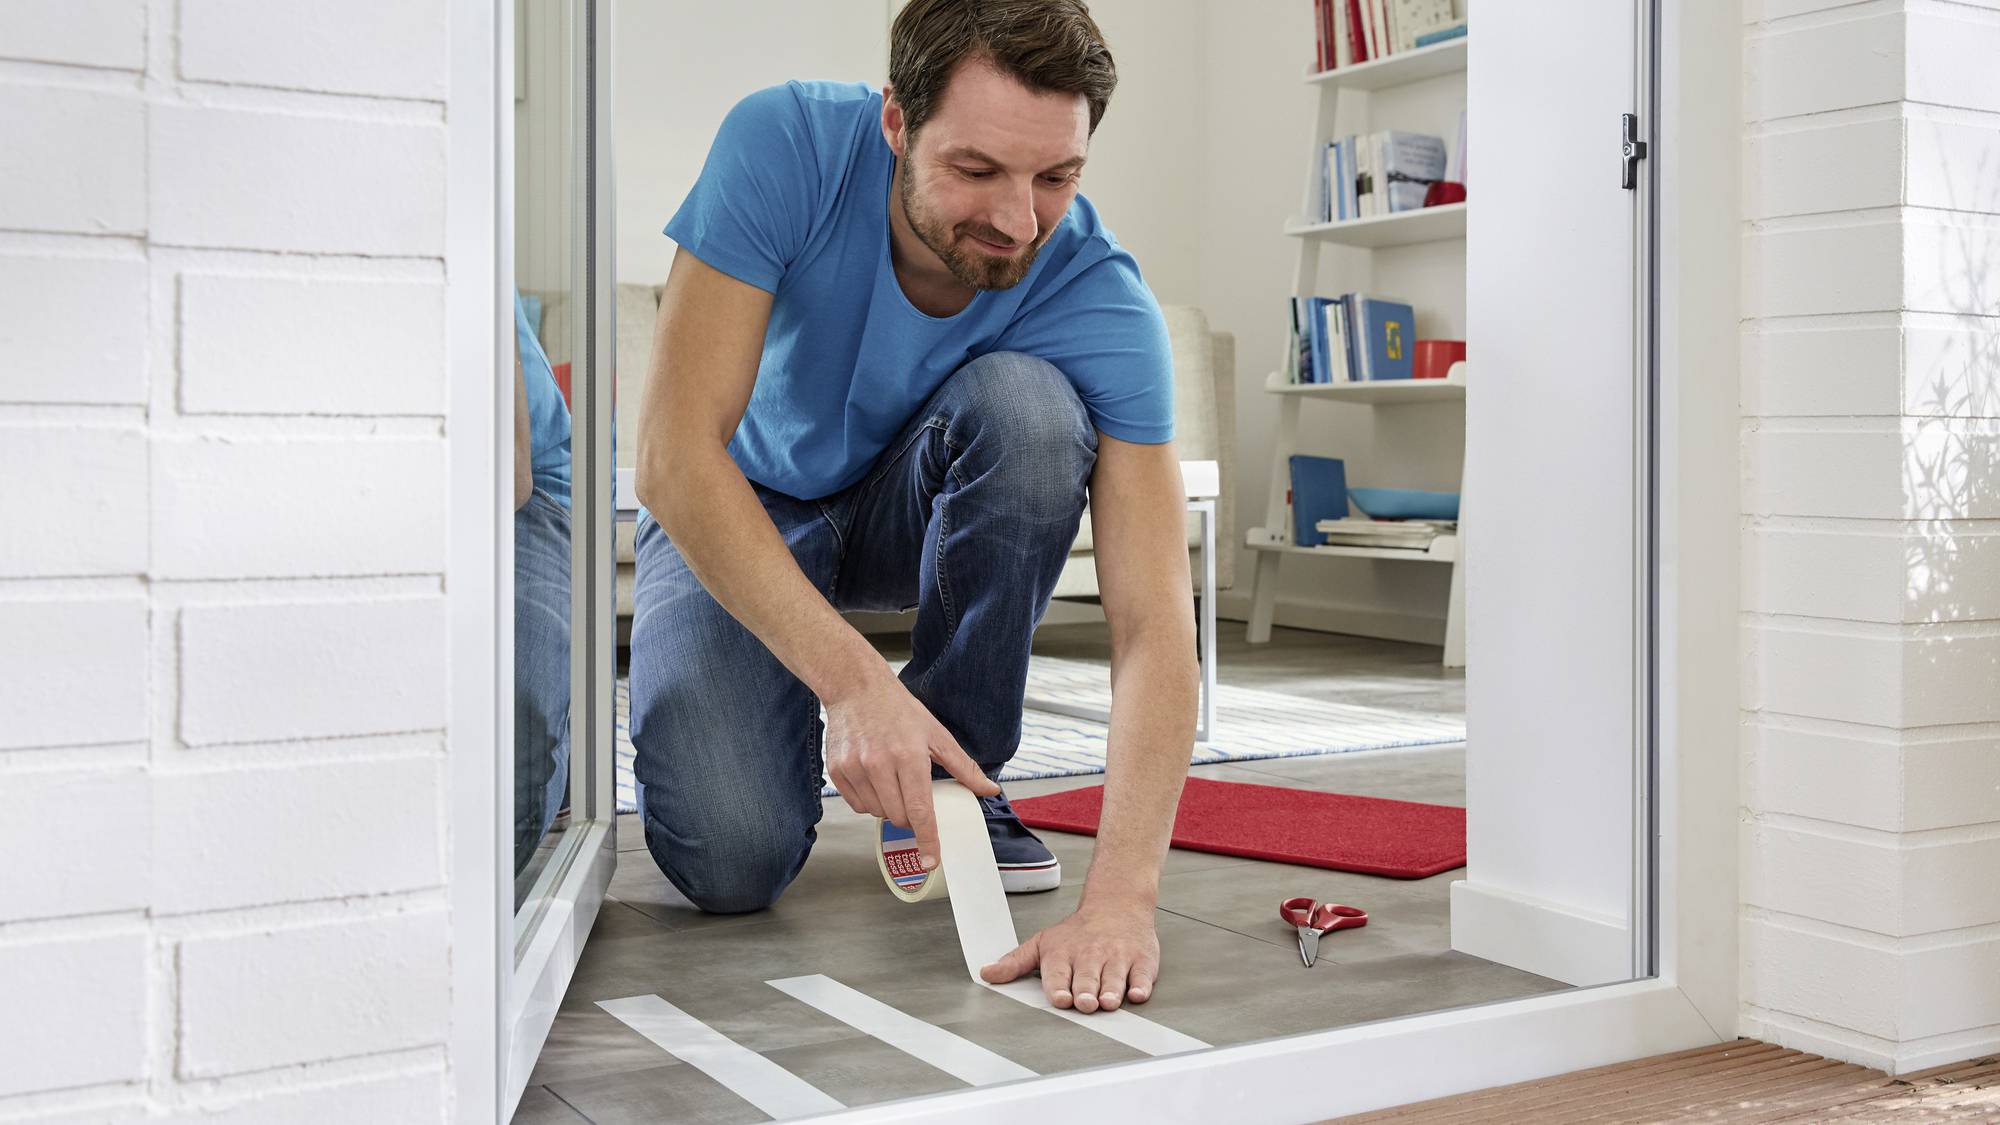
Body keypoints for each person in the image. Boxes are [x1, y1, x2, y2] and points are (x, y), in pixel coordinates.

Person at [628, 0, 1197, 1015]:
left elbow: (1154, 625)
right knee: (727, 862)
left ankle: (954, 781)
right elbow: (673, 458)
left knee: (1029, 410)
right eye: (975, 171)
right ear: (897, 123)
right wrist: (853, 685)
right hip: (741, 508)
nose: (1018, 220)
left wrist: (1120, 901)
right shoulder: (783, 143)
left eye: (1056, 178)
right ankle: (842, 723)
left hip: (903, 507)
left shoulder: (1101, 298)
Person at [513, 291, 574, 881]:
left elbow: (509, 477)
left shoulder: (466, 255)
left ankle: (567, 728)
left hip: (532, 492)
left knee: (501, 805)